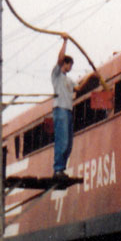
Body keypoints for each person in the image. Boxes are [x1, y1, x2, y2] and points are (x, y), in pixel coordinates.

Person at [52, 38, 86, 177]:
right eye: (70, 65)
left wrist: (91, 77)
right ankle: (58, 168)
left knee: (69, 143)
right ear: (65, 64)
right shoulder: (57, 75)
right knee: (63, 140)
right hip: (60, 109)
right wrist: (65, 42)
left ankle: (61, 168)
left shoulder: (69, 80)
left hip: (68, 111)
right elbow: (59, 59)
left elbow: (78, 88)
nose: (71, 68)